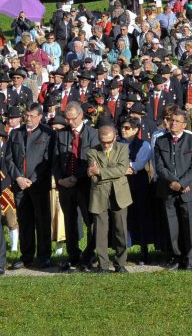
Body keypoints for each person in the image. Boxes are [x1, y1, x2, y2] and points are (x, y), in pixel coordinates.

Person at [153, 108, 192, 271]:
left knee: (189, 225)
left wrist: (182, 183)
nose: (173, 123)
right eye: (171, 120)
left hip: (188, 190)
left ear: (184, 124)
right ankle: (175, 255)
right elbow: (159, 167)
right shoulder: (161, 141)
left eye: (177, 121)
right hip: (168, 189)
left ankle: (190, 258)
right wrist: (173, 182)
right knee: (171, 225)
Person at [53, 101, 98, 271]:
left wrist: (75, 177)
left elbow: (90, 160)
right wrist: (60, 179)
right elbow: (55, 159)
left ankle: (89, 254)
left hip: (85, 184)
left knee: (90, 220)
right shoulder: (61, 134)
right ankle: (73, 255)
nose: (69, 122)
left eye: (72, 119)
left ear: (80, 116)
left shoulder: (92, 134)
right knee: (70, 221)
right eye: (67, 119)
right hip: (65, 185)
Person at [86, 121, 132, 273]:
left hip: (120, 195)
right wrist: (112, 172)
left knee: (121, 231)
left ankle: (120, 263)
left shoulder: (123, 148)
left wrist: (100, 172)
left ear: (115, 138)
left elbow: (122, 169)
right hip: (99, 195)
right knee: (100, 232)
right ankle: (103, 265)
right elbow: (92, 175)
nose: (106, 145)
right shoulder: (91, 152)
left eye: (109, 142)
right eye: (103, 142)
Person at [118, 115, 156, 264]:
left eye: (127, 128)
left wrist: (122, 168)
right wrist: (123, 169)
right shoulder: (118, 144)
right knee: (123, 217)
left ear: (135, 130)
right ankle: (122, 250)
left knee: (141, 216)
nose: (123, 130)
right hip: (122, 183)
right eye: (122, 127)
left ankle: (144, 250)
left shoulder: (143, 145)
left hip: (138, 184)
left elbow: (139, 164)